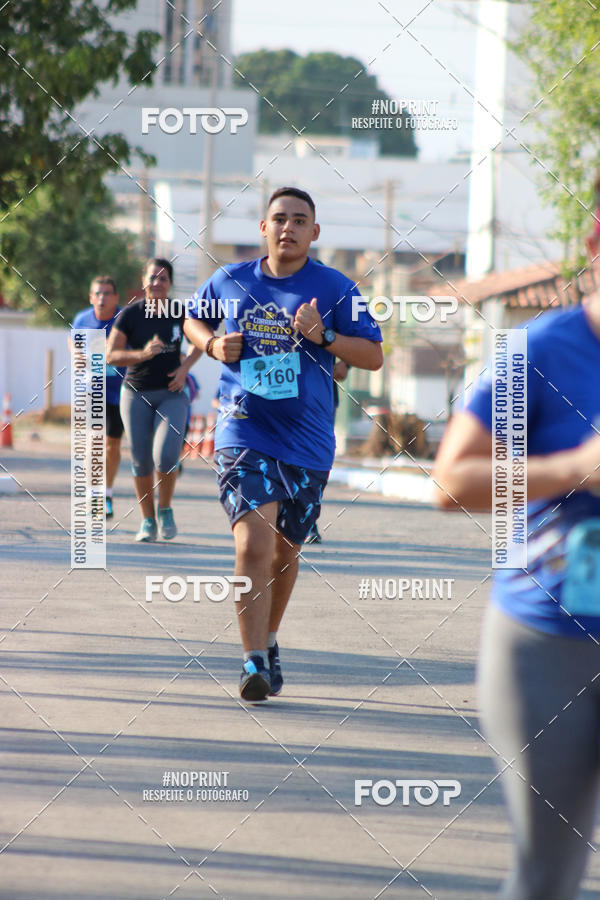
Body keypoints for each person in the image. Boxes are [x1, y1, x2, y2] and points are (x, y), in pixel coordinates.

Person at [184, 186, 383, 701]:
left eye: (299, 220)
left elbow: (374, 356)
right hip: (242, 429)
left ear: (314, 232)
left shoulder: (336, 288)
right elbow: (191, 318)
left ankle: (269, 642)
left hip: (309, 442)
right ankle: (250, 659)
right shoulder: (229, 280)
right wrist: (209, 343)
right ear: (263, 228)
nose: (288, 228)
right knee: (253, 543)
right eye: (279, 219)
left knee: (285, 552)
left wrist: (326, 338)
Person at [432, 292, 600, 899]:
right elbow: (452, 480)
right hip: (548, 640)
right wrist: (572, 468)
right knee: (548, 877)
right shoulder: (538, 350)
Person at [106, 258, 202, 542]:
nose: (157, 283)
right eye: (152, 277)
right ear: (143, 280)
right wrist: (142, 354)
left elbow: (202, 339)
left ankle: (166, 509)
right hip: (135, 393)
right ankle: (147, 520)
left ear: (170, 283)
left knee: (167, 455)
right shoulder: (130, 314)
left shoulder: (179, 312)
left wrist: (185, 369)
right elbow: (111, 355)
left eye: (163, 278)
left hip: (172, 393)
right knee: (141, 460)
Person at [71, 276, 125, 519]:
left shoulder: (124, 319)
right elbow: (72, 340)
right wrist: (77, 355)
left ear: (116, 297)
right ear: (91, 297)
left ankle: (107, 493)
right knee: (93, 441)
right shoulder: (82, 319)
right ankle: (94, 494)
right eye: (98, 293)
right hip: (92, 389)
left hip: (120, 391)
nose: (102, 298)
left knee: (112, 446)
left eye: (107, 293)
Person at [305, 358, 350, 544]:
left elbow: (357, 334)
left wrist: (347, 364)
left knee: (313, 458)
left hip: (321, 397)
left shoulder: (325, 327)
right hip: (274, 393)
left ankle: (307, 520)